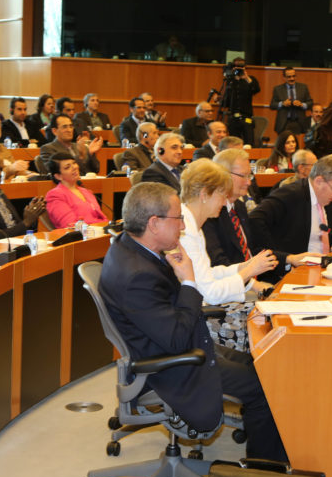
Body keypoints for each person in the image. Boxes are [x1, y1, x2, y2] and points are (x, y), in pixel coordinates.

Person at [98, 182, 287, 461]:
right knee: (266, 388)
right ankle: (265, 470)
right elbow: (175, 339)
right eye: (178, 219)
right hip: (172, 366)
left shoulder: (130, 248)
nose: (183, 227)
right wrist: (188, 281)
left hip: (182, 344)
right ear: (154, 223)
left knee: (262, 365)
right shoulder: (137, 275)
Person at [179, 158, 277, 306]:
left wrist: (242, 267)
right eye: (222, 196)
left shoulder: (193, 223)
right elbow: (210, 294)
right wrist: (249, 271)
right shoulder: (184, 229)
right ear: (204, 194)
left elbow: (208, 274)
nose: (225, 203)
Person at [203, 148, 313, 280]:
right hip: (233, 288)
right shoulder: (211, 213)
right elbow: (218, 264)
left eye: (249, 176)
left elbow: (253, 251)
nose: (249, 182)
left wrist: (290, 258)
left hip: (252, 282)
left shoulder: (238, 206)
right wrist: (254, 286)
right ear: (223, 175)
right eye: (243, 176)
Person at [250, 154, 332, 256]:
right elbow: (255, 219)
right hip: (292, 274)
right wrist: (279, 257)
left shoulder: (323, 200)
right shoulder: (292, 194)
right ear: (319, 181)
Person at [45, 152, 107, 228]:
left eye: (74, 163)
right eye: (67, 167)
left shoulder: (85, 191)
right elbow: (70, 225)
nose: (74, 167)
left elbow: (103, 218)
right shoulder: (55, 195)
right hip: (81, 237)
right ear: (58, 176)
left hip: (98, 232)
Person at [224, 57, 260, 146]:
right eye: (237, 66)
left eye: (241, 66)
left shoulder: (250, 79)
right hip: (233, 117)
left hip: (246, 116)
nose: (239, 68)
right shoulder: (231, 80)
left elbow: (256, 89)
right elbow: (227, 98)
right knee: (233, 143)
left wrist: (246, 77)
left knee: (249, 143)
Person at [270, 66, 313, 135]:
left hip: (299, 122)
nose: (292, 79)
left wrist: (302, 104)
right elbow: (272, 105)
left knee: (297, 144)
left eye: (293, 76)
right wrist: (282, 103)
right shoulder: (278, 89)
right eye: (289, 77)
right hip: (284, 123)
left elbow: (310, 103)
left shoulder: (303, 87)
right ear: (284, 78)